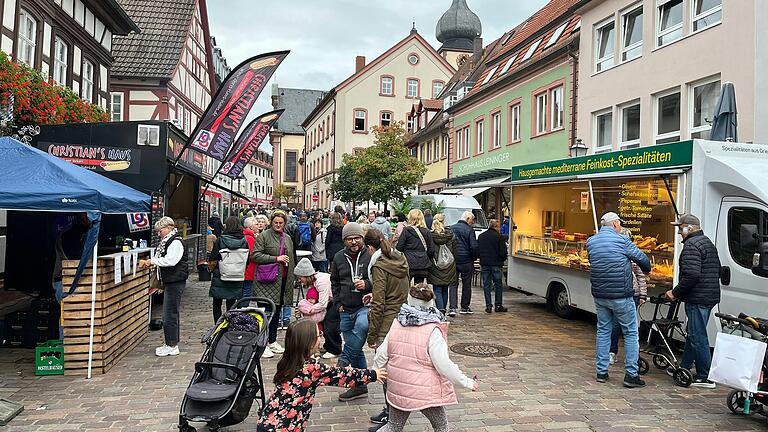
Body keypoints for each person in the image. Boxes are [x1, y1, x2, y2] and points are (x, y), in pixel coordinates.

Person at [373, 284, 477, 432]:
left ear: (409, 300)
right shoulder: (433, 330)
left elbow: (382, 354)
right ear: (431, 303)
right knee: (441, 426)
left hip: (399, 386)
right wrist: (466, 382)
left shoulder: (397, 323)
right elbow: (443, 364)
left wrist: (376, 370)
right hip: (426, 389)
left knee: (393, 426)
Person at [256, 319, 386, 432]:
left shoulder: (287, 360)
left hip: (267, 421)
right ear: (310, 342)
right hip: (286, 427)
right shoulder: (312, 368)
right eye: (319, 336)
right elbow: (343, 375)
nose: (321, 338)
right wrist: (372, 375)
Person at [586, 212, 651, 388]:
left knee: (603, 331)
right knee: (630, 333)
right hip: (621, 295)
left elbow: (593, 261)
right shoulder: (622, 241)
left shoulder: (591, 242)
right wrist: (646, 268)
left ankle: (601, 371)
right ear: (615, 224)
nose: (621, 226)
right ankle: (631, 374)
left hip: (600, 294)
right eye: (620, 224)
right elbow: (642, 260)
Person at [665, 213, 721, 388]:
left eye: (680, 228)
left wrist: (675, 292)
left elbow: (692, 275)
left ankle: (706, 376)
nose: (679, 232)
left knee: (698, 336)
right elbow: (716, 269)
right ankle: (685, 366)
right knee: (694, 332)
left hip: (698, 297)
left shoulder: (691, 246)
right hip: (709, 295)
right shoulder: (707, 242)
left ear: (689, 228)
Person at [364, 228, 409, 432]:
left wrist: (372, 335)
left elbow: (380, 303)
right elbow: (399, 290)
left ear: (370, 247)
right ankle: (391, 413)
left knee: (385, 372)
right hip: (402, 317)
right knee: (395, 370)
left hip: (386, 323)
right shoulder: (400, 258)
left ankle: (392, 418)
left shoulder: (379, 264)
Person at [330, 222, 373, 401]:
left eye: (357, 238)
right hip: (345, 308)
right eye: (349, 239)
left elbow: (380, 280)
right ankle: (360, 386)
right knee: (357, 348)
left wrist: (368, 285)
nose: (354, 242)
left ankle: (344, 359)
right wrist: (338, 303)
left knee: (363, 326)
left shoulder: (371, 256)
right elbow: (335, 281)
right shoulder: (339, 257)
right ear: (344, 240)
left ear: (362, 238)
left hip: (364, 306)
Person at [139, 217, 188, 357]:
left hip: (175, 280)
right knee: (170, 313)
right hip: (172, 280)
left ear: (167, 228)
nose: (158, 234)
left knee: (170, 313)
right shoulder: (170, 241)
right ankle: (170, 343)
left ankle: (172, 345)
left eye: (160, 231)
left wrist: (153, 261)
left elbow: (171, 260)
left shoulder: (175, 242)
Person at [251, 212, 296, 359]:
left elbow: (292, 258)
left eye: (280, 223)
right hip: (266, 280)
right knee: (266, 312)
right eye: (275, 222)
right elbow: (255, 255)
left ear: (284, 223)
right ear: (271, 222)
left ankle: (272, 340)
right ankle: (262, 343)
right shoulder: (264, 236)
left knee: (277, 311)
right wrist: (276, 258)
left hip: (282, 281)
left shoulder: (287, 238)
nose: (278, 225)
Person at [610, 228, 648, 365]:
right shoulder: (614, 254)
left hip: (634, 295)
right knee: (616, 325)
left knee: (630, 327)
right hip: (619, 293)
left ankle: (631, 356)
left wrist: (643, 294)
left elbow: (640, 276)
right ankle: (612, 351)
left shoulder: (635, 255)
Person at [208, 216, 249, 324]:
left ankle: (217, 325)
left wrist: (211, 269)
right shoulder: (244, 241)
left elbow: (213, 259)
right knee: (231, 302)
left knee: (217, 302)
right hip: (237, 275)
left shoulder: (220, 240)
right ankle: (229, 324)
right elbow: (247, 260)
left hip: (220, 275)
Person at [449, 211, 479, 316]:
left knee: (453, 284)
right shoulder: (469, 230)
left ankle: (452, 307)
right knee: (467, 284)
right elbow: (474, 246)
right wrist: (474, 257)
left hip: (454, 260)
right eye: (472, 220)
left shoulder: (451, 228)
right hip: (466, 260)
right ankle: (464, 307)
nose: (472, 222)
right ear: (467, 219)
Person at [396, 209, 434, 284]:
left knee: (405, 286)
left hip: (408, 262)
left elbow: (399, 247)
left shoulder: (406, 230)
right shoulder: (427, 232)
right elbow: (431, 249)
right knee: (419, 288)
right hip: (422, 263)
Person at [477, 219, 508, 314]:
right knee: (498, 284)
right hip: (496, 264)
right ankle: (498, 305)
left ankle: (488, 306)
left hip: (485, 263)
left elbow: (478, 250)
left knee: (487, 285)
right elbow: (503, 252)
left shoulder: (481, 236)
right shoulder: (499, 237)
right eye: (498, 227)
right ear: (496, 227)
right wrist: (501, 260)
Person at [428, 214, 456, 314]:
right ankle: (443, 307)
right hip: (449, 265)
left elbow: (430, 251)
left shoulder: (430, 235)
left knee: (437, 289)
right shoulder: (450, 235)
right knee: (445, 288)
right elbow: (454, 251)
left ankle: (440, 309)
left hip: (435, 265)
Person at [294, 258, 331, 332]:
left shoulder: (321, 282)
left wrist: (306, 309)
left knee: (329, 325)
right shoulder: (313, 283)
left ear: (306, 276)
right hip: (330, 301)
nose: (299, 280)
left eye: (300, 277)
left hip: (339, 300)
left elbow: (322, 304)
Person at [242, 217, 259, 304]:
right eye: (256, 224)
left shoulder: (246, 236)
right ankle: (243, 313)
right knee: (246, 294)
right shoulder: (249, 238)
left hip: (245, 270)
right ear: (250, 227)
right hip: (248, 271)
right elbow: (254, 255)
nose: (258, 226)